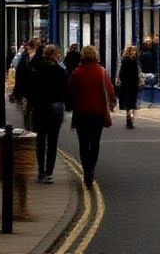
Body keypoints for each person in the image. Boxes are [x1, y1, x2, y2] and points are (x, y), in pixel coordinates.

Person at [67, 45, 116, 188]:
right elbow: (110, 90)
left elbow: (71, 93)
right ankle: (91, 170)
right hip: (98, 113)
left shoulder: (77, 72)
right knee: (95, 142)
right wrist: (112, 102)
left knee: (83, 143)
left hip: (81, 113)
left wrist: (70, 105)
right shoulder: (101, 72)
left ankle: (86, 171)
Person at [30, 44, 69, 183]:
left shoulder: (36, 69)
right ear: (54, 55)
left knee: (40, 139)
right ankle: (49, 173)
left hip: (40, 107)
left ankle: (40, 171)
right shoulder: (60, 71)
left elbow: (31, 89)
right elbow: (66, 90)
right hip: (55, 107)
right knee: (53, 141)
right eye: (57, 54)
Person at [116, 44, 140, 128]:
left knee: (130, 102)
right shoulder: (127, 61)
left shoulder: (133, 60)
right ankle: (129, 118)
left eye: (134, 51)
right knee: (129, 102)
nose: (134, 53)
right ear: (129, 52)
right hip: (128, 85)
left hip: (132, 84)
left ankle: (130, 118)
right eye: (132, 51)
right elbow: (122, 73)